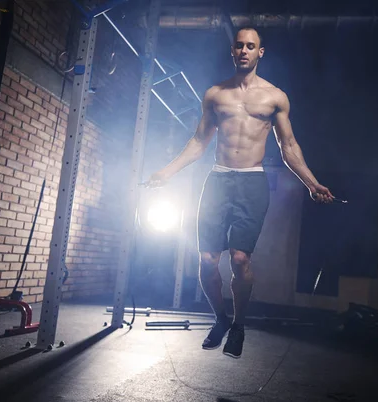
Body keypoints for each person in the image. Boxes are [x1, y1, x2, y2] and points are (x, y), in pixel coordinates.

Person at [143, 27, 334, 358]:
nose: (244, 50)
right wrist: (166, 172)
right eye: (239, 45)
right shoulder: (215, 94)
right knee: (205, 260)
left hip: (251, 182)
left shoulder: (275, 97)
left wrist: (312, 183)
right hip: (218, 180)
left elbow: (288, 146)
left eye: (251, 46)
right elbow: (199, 141)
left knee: (240, 258)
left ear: (261, 52)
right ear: (232, 51)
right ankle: (220, 319)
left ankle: (239, 325)